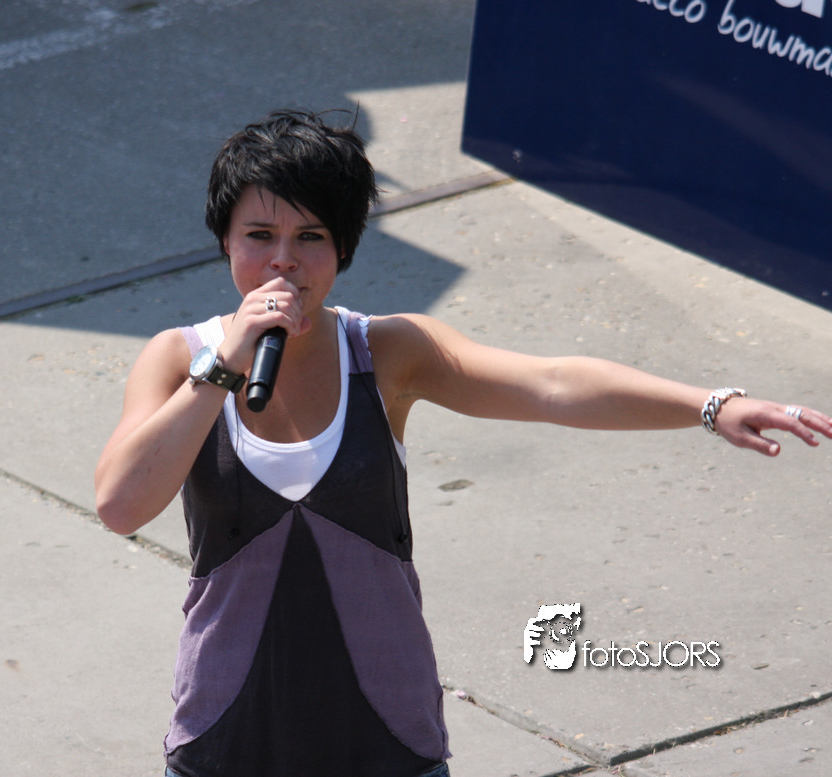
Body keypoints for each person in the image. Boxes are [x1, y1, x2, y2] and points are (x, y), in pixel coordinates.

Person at [93, 109, 831, 777]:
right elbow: (121, 505)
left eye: (310, 237)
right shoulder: (178, 359)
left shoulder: (387, 353)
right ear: (225, 241)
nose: (283, 260)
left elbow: (552, 384)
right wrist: (223, 366)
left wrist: (709, 404)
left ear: (343, 249)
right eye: (260, 236)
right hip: (226, 741)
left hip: (387, 742)